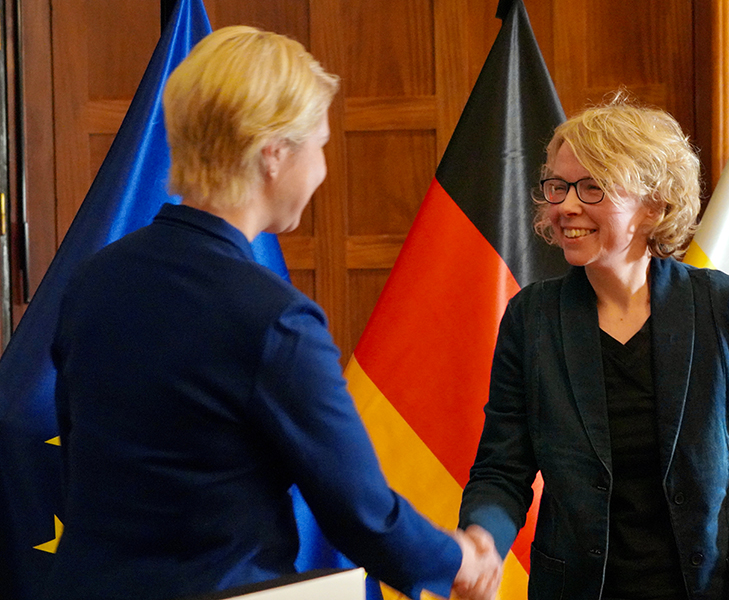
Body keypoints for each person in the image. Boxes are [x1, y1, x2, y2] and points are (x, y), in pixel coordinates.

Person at [44, 26, 501, 600]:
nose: (322, 170)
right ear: (274, 154)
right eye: (321, 145)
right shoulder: (273, 319)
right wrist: (458, 559)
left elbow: (77, 456)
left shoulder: (94, 281)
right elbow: (361, 514)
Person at [459, 97, 729, 600]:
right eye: (558, 186)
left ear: (654, 206)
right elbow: (502, 468)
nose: (566, 205)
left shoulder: (728, 309)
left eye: (593, 187)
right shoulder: (532, 318)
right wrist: (482, 540)